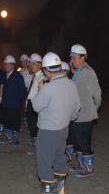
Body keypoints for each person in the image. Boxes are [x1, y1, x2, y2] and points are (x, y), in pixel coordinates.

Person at [31, 52, 81, 194]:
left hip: (48, 131)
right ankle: (60, 189)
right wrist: (67, 119)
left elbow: (36, 106)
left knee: (44, 161)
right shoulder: (71, 84)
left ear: (46, 71)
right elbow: (77, 107)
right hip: (63, 129)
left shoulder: (48, 88)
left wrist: (40, 90)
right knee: (59, 157)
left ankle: (47, 190)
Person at [68, 44, 102, 179]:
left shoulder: (88, 71)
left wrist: (95, 107)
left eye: (75, 58)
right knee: (77, 141)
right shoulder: (77, 72)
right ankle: (81, 164)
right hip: (77, 114)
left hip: (85, 114)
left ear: (83, 57)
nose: (72, 60)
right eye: (72, 58)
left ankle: (89, 168)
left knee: (84, 141)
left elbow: (97, 92)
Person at [0, 55, 25, 147]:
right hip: (6, 103)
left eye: (8, 65)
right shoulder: (4, 76)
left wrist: (18, 100)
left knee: (15, 122)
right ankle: (8, 137)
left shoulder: (18, 76)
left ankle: (16, 139)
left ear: (13, 65)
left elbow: (22, 90)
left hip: (14, 104)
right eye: (5, 65)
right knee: (7, 120)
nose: (6, 67)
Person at [25, 53, 44, 155]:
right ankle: (35, 145)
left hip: (37, 104)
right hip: (30, 103)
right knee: (32, 126)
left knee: (37, 126)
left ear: (40, 64)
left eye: (33, 64)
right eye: (30, 64)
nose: (31, 66)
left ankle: (39, 148)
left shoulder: (43, 76)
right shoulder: (32, 77)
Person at [19, 54, 31, 131]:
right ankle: (25, 124)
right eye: (21, 61)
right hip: (22, 89)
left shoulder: (30, 70)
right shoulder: (21, 71)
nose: (23, 63)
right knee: (22, 107)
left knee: (27, 107)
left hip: (28, 90)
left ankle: (29, 125)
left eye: (24, 61)